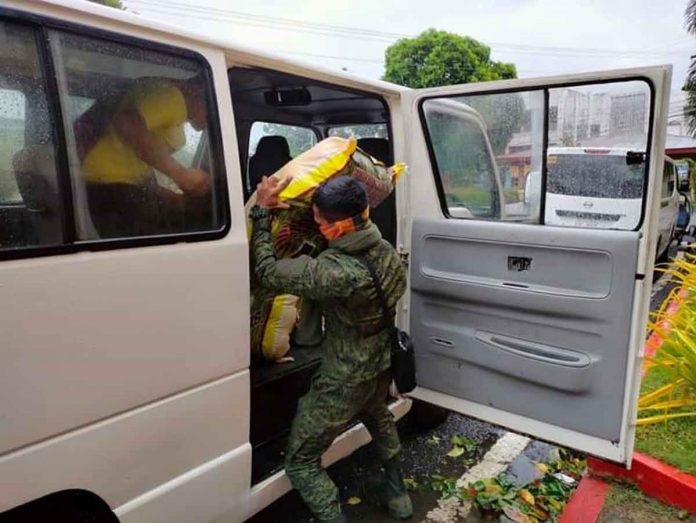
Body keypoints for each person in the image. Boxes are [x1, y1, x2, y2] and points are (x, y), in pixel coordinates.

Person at [249, 175, 413, 522]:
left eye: (321, 223)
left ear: (338, 228)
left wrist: (262, 215)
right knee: (379, 415)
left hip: (342, 381)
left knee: (301, 462)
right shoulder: (388, 254)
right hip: (379, 365)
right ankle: (399, 496)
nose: (318, 227)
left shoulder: (333, 273)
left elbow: (266, 271)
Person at [75, 76, 211, 237]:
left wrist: (170, 197)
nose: (216, 115)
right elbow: (126, 120)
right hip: (108, 190)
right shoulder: (173, 97)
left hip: (106, 189)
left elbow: (133, 158)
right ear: (199, 92)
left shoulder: (175, 112)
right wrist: (181, 175)